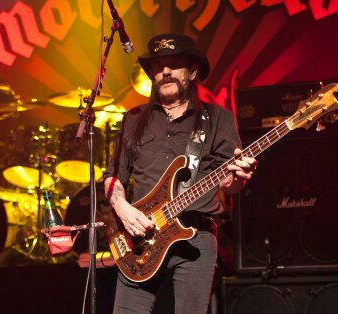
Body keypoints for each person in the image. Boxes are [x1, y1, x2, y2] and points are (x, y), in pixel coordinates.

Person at [103, 33, 257, 313]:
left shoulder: (218, 119)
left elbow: (229, 183)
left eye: (174, 64)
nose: (165, 72)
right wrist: (122, 209)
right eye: (159, 66)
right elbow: (113, 176)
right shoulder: (133, 119)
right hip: (139, 238)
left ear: (193, 71)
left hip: (195, 238)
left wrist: (237, 178)